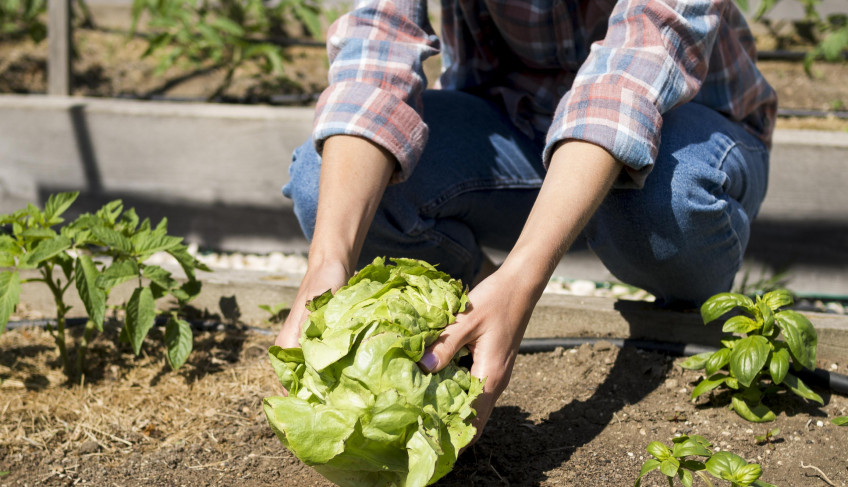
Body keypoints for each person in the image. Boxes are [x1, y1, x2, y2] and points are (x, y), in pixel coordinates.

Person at [274, 0, 776, 443]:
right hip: (515, 126)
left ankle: (684, 326)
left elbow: (632, 74)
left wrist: (522, 278)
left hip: (684, 132)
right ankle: (471, 309)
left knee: (662, 193)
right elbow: (375, 45)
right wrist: (325, 265)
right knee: (325, 184)